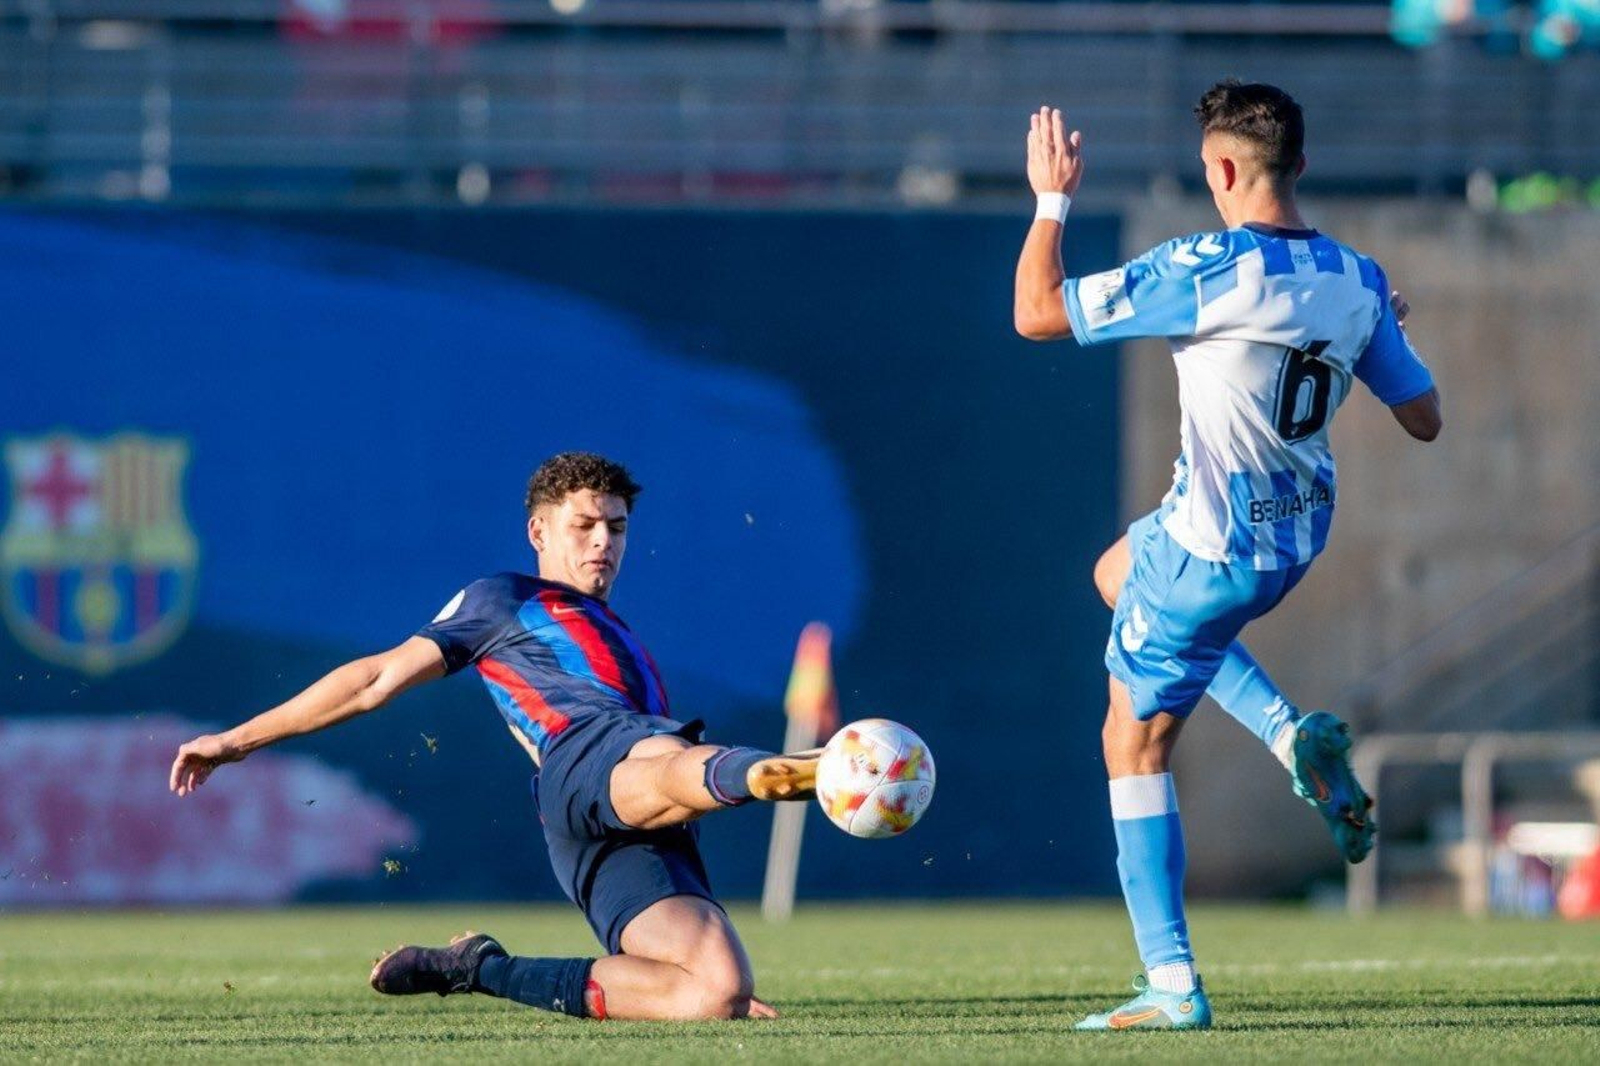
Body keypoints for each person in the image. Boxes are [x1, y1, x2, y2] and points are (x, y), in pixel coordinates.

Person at [1012, 82, 1442, 1030]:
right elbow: (1425, 419)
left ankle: (1171, 985)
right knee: (1114, 573)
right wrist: (1383, 330)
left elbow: (1036, 312)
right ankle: (1292, 736)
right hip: (1296, 535)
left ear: (1220, 169)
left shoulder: (1203, 266)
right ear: (1301, 163)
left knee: (1131, 742)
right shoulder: (1359, 279)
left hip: (1212, 548)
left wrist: (1051, 200)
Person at [169, 451, 819, 1021]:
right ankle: (776, 773)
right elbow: (374, 679)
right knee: (663, 755)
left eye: (616, 528)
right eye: (584, 525)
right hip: (589, 756)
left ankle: (477, 968)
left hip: (632, 824)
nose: (604, 542)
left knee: (714, 994)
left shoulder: (621, 637)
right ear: (538, 530)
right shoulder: (505, 599)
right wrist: (236, 741)